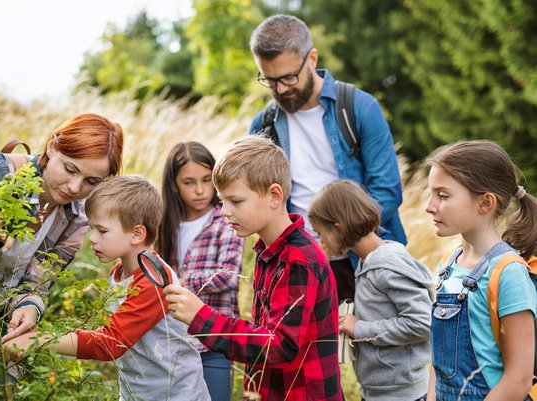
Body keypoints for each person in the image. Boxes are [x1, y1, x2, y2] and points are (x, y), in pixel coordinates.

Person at [0, 113, 123, 397]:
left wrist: (29, 307)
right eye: (69, 169)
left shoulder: (76, 219)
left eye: (91, 181)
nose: (74, 188)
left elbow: (37, 281)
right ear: (52, 146)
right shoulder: (6, 173)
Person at [164, 136, 342, 401]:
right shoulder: (268, 251)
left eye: (236, 201)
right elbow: (263, 334)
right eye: (222, 201)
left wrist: (201, 317)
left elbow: (279, 345)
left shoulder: (298, 260)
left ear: (273, 195)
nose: (224, 211)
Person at [3, 175, 211, 401]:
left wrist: (40, 340)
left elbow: (111, 343)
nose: (92, 238)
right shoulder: (120, 272)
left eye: (102, 231)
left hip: (177, 395)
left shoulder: (153, 280)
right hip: (137, 393)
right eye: (92, 228)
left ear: (136, 234)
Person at [248, 14, 406, 302]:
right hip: (297, 265)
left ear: (312, 58)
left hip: (364, 263)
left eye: (288, 78)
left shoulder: (359, 108)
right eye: (270, 81)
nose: (281, 89)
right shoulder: (263, 125)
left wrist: (335, 241)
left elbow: (387, 191)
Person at [425, 140, 536, 401]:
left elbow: (518, 379)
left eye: (442, 195)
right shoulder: (447, 267)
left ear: (485, 202)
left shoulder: (508, 272)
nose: (429, 206)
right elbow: (438, 365)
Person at [308, 179, 432, 401]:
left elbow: (422, 323)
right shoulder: (366, 263)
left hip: (402, 395)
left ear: (339, 229)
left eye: (320, 233)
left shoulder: (387, 266)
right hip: (378, 391)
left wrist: (361, 328)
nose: (321, 241)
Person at [156, 141, 244, 400]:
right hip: (174, 342)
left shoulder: (226, 219)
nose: (200, 190)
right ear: (173, 184)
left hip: (213, 341)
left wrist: (181, 282)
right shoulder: (165, 223)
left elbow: (229, 275)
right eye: (189, 182)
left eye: (207, 180)